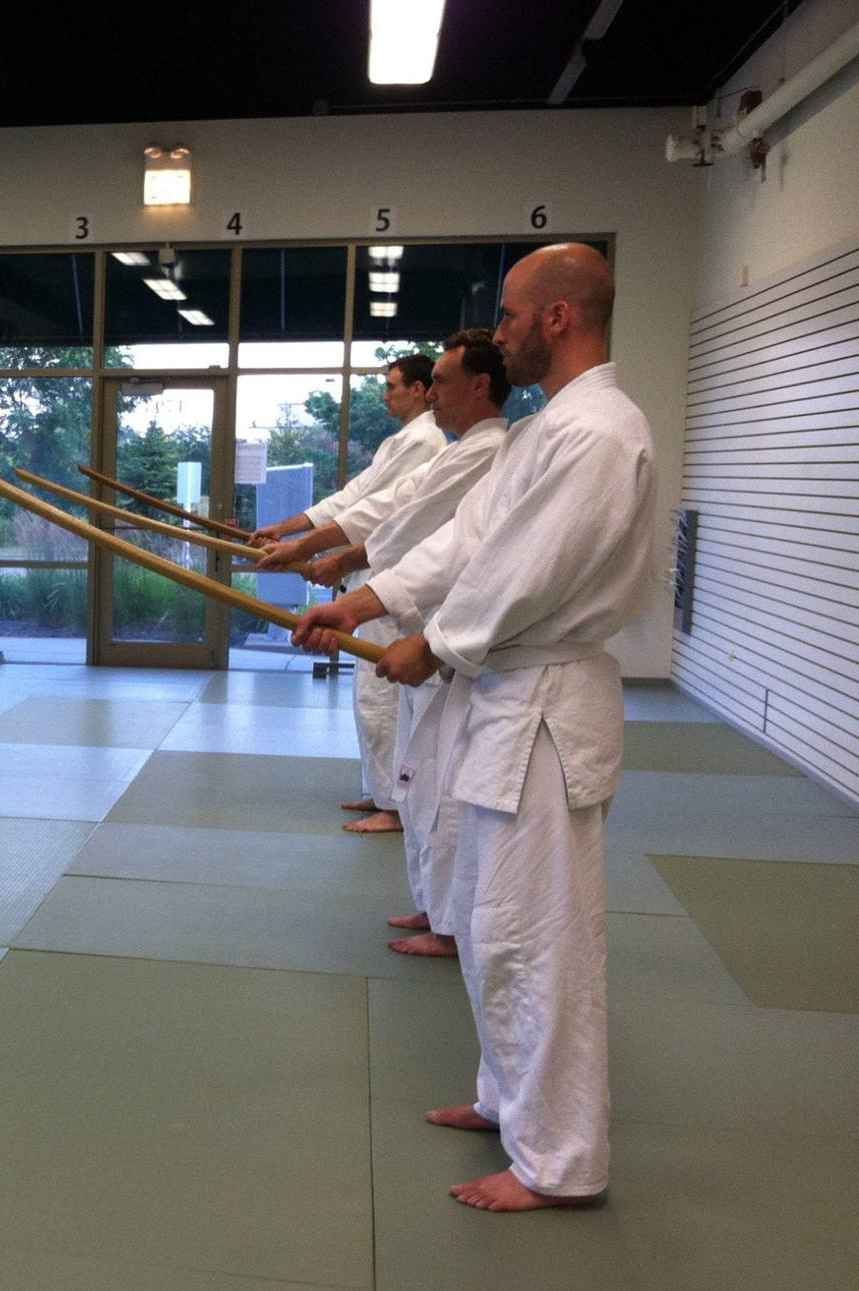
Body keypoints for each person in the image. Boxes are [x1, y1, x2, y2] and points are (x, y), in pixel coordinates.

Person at [292, 244, 654, 1211]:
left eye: (507, 316)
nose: (496, 334)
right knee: (497, 929)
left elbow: (525, 571)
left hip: (546, 708)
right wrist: (366, 600)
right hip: (510, 704)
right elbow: (465, 541)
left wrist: (438, 644)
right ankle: (508, 1101)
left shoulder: (601, 434)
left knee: (543, 939)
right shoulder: (547, 433)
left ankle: (561, 1161)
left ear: (558, 318)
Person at [261, 329, 511, 955]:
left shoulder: (481, 450)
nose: (431, 398)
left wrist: (328, 563)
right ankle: (435, 908)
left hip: (439, 630)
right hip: (410, 608)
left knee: (439, 781)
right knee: (420, 769)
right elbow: (389, 510)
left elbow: (402, 527)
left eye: (440, 385)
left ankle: (450, 920)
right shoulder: (453, 448)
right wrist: (314, 548)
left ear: (478, 387)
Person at [250, 354, 445, 833]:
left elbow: (376, 512)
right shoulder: (402, 442)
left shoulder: (426, 441)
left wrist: (312, 549)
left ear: (419, 390)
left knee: (381, 692)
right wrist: (289, 529)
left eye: (394, 385)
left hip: (389, 577)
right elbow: (354, 498)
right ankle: (382, 792)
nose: (386, 394)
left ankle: (396, 805)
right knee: (370, 691)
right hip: (373, 571)